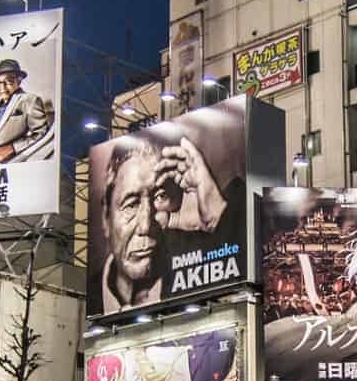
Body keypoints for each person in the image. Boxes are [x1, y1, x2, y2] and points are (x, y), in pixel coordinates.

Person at [93, 129, 244, 315]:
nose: (145, 226)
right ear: (106, 216)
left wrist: (214, 215)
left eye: (160, 196)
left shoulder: (201, 267)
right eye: (130, 205)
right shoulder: (89, 300)